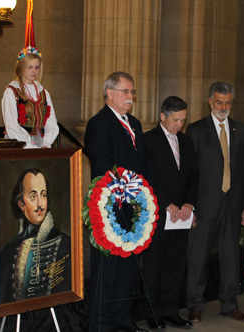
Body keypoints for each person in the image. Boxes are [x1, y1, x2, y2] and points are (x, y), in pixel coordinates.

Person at [84, 71, 151, 332]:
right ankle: (101, 323)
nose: (130, 97)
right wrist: (126, 189)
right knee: (107, 268)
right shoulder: (99, 123)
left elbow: (143, 161)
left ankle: (122, 318)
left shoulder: (134, 123)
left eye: (132, 92)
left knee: (128, 267)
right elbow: (102, 164)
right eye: (125, 91)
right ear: (109, 93)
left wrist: (145, 194)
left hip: (134, 207)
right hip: (110, 207)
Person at [185, 82, 244, 323]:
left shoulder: (241, 130)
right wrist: (190, 206)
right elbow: (190, 173)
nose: (223, 107)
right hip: (204, 204)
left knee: (230, 256)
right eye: (219, 102)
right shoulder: (195, 130)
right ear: (209, 102)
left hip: (233, 204)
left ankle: (229, 303)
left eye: (227, 103)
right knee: (198, 256)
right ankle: (195, 304)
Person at [142, 96, 198, 330]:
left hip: (181, 217)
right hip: (159, 213)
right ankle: (153, 313)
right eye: (175, 120)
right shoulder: (148, 141)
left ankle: (170, 311)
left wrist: (189, 204)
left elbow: (194, 177)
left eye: (183, 121)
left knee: (175, 265)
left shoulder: (186, 142)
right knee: (154, 266)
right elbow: (146, 178)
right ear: (162, 116)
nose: (179, 125)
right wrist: (166, 203)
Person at [0, 168, 71, 304]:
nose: (39, 204)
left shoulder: (67, 244)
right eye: (33, 196)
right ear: (21, 203)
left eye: (43, 195)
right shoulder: (7, 253)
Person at [2, 47, 59, 148]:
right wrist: (28, 145)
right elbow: (11, 126)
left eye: (37, 67)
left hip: (41, 144)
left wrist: (46, 143)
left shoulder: (43, 92)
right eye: (30, 67)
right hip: (19, 145)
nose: (34, 71)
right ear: (21, 67)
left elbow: (51, 123)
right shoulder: (11, 92)